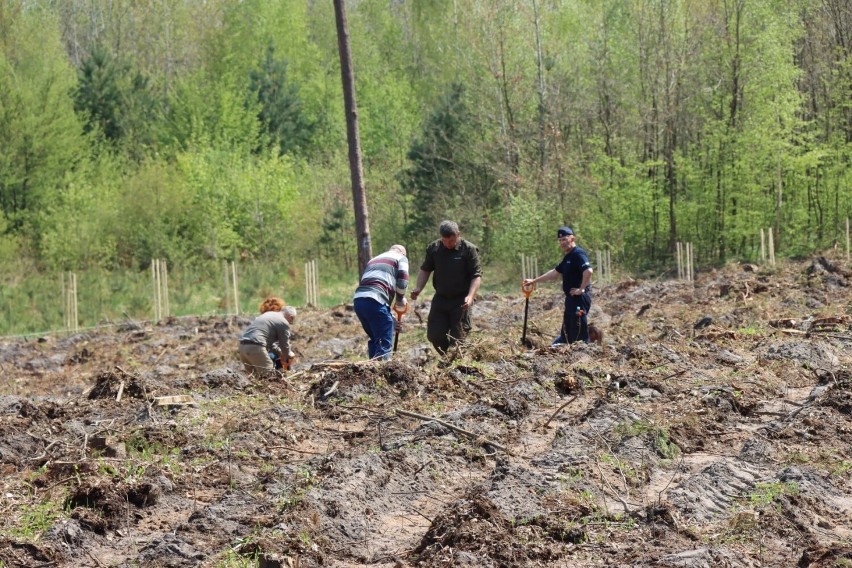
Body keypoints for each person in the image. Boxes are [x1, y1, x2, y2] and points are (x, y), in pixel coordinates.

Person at [410, 220, 482, 355]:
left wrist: (470, 296)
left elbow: (476, 275)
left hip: (461, 300)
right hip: (441, 299)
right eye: (445, 241)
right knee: (434, 336)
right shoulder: (434, 249)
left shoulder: (469, 249)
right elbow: (425, 270)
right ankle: (447, 358)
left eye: (452, 241)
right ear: (441, 237)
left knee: (458, 338)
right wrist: (418, 288)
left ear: (458, 235)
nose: (449, 244)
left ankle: (455, 360)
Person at [523, 226, 593, 344]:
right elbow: (554, 273)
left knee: (579, 330)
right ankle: (561, 346)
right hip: (570, 300)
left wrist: (581, 289)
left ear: (572, 238)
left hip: (579, 300)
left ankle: (583, 354)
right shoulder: (568, 257)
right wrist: (534, 281)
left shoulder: (578, 254)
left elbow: (588, 271)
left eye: (565, 239)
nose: (562, 243)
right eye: (560, 241)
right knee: (567, 331)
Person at [353, 244, 410, 360]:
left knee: (376, 339)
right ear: (402, 253)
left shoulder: (374, 259)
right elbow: (403, 281)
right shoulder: (401, 258)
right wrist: (400, 299)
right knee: (383, 342)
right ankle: (382, 373)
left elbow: (376, 302)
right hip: (375, 299)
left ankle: (372, 372)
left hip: (359, 301)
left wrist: (391, 319)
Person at [238, 297, 297, 377]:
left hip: (243, 347)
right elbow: (284, 345)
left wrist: (280, 353)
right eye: (291, 321)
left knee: (254, 379)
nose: (290, 323)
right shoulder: (283, 322)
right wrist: (288, 355)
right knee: (270, 378)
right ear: (291, 317)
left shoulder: (267, 315)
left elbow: (269, 344)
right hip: (256, 346)